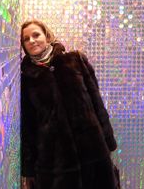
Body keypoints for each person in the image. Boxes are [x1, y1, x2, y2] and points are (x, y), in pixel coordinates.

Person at [20, 19, 119, 189]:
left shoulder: (76, 60)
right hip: (56, 163)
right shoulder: (27, 78)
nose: (32, 41)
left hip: (93, 151)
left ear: (47, 36)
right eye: (26, 39)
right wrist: (28, 169)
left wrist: (108, 140)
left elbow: (97, 102)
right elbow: (28, 126)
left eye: (36, 35)